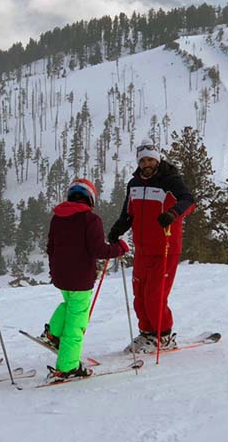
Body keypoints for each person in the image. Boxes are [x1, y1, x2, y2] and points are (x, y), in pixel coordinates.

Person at [107, 138, 195, 353]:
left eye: (150, 160)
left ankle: (163, 336)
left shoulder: (170, 180)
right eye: (143, 160)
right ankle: (147, 333)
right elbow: (128, 213)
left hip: (165, 247)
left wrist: (173, 214)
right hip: (142, 248)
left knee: (155, 295)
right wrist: (118, 229)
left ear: (157, 160)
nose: (146, 164)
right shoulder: (134, 183)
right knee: (139, 294)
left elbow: (189, 200)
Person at [41, 178, 128, 382]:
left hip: (62, 276)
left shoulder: (58, 218)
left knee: (69, 304)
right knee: (76, 323)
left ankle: (53, 334)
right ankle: (67, 367)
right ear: (90, 198)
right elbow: (99, 250)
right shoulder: (91, 220)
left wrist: (56, 269)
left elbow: (50, 247)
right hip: (81, 278)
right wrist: (120, 248)